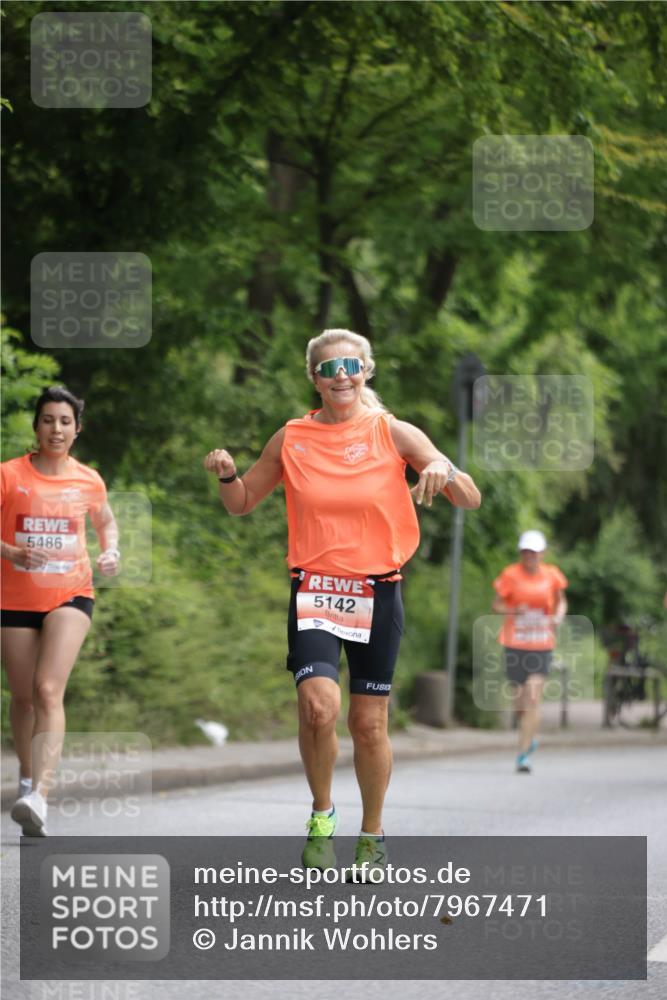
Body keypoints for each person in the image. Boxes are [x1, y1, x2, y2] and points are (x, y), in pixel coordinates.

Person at [204, 329, 481, 879]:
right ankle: (322, 815)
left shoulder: (392, 432)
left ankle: (372, 834)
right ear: (314, 378)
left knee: (368, 724)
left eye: (350, 366)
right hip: (315, 587)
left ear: (366, 371)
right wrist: (228, 474)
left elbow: (469, 497)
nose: (341, 377)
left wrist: (442, 469)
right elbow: (241, 504)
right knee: (317, 707)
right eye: (329, 369)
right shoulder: (292, 438)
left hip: (378, 589)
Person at [1, 386, 120, 836]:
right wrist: (10, 552)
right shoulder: (9, 475)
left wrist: (112, 552)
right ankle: (28, 778)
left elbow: (105, 520)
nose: (56, 428)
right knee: (24, 697)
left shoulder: (88, 479)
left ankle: (41, 796)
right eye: (48, 420)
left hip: (71, 594)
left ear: (77, 429)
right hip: (14, 598)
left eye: (65, 421)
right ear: (36, 426)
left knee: (48, 689)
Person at [492, 530, 567, 774]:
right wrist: (514, 611)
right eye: (526, 552)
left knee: (533, 696)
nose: (529, 556)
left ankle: (523, 754)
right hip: (515, 642)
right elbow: (497, 604)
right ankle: (530, 736)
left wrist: (558, 616)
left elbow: (561, 600)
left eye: (534, 552)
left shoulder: (552, 575)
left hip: (542, 643)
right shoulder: (510, 575)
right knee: (521, 705)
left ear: (542, 553)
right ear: (521, 553)